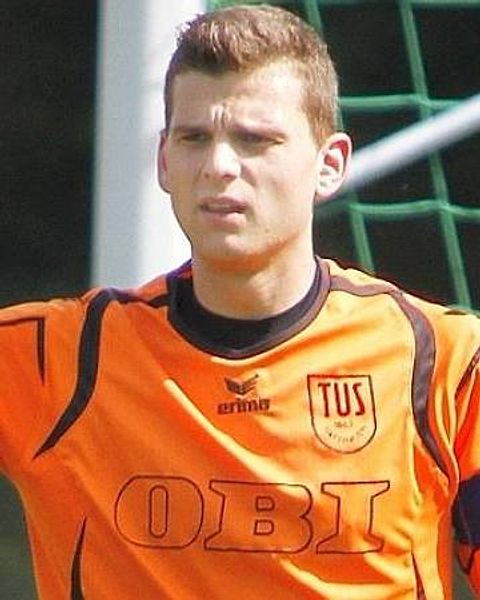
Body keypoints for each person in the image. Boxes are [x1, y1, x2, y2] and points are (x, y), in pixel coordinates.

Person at [0, 4, 479, 599]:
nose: (219, 166)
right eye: (194, 138)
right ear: (164, 161)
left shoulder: (441, 363)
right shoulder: (58, 361)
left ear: (330, 164)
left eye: (255, 140)